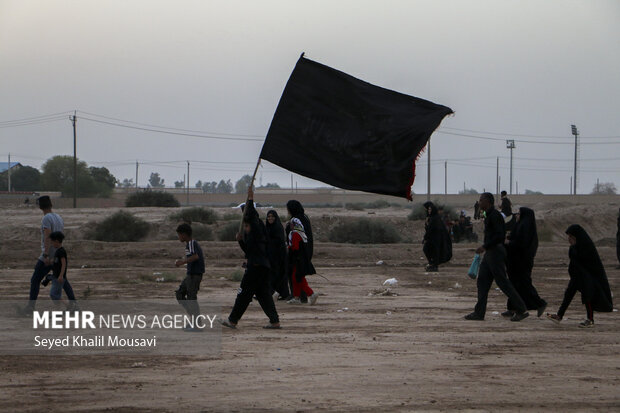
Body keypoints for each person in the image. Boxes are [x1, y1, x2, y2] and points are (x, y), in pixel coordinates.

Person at [222, 187, 280, 329]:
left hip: (256, 267)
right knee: (263, 295)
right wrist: (241, 240)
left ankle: (232, 320)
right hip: (262, 266)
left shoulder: (257, 227)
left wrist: (250, 198)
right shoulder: (254, 234)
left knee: (243, 294)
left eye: (246, 226)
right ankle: (274, 321)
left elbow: (252, 217)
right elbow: (249, 251)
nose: (246, 228)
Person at [465, 192, 529, 322]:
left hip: (495, 252)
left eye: (481, 200)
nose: (479, 202)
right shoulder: (488, 215)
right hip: (490, 253)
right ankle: (479, 312)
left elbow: (499, 236)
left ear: (488, 201)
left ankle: (521, 309)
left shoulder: (495, 216)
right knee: (482, 281)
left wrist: (485, 246)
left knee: (502, 282)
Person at [547, 225, 613, 328]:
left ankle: (590, 319)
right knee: (568, 294)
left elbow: (589, 263)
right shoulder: (575, 247)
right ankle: (559, 315)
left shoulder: (586, 246)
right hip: (577, 276)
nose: (569, 239)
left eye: (571, 237)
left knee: (588, 297)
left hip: (587, 277)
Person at [21, 196, 77, 314]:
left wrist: (46, 254)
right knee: (63, 280)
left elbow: (47, 235)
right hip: (57, 252)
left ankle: (30, 308)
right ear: (50, 204)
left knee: (35, 279)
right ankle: (74, 304)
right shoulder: (58, 217)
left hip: (49, 255)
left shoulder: (46, 218)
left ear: (40, 206)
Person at [504, 207, 547, 318]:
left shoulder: (526, 228)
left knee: (523, 284)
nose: (516, 216)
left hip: (522, 262)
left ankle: (539, 303)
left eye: (518, 214)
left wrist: (508, 242)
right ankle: (512, 307)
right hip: (515, 261)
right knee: (514, 284)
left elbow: (521, 245)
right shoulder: (520, 226)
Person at [174, 223, 205, 332]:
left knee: (191, 298)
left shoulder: (191, 243)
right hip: (191, 275)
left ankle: (197, 324)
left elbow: (195, 256)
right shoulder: (190, 244)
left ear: (184, 234)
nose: (179, 237)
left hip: (194, 275)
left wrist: (182, 262)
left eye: (179, 235)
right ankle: (194, 320)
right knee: (180, 294)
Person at [286, 200, 316, 302]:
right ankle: (297, 297)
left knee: (297, 275)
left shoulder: (296, 221)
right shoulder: (304, 218)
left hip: (298, 254)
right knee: (296, 275)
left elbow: (295, 240)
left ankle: (309, 294)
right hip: (305, 252)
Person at [265, 210, 290, 300]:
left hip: (279, 257)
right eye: (268, 216)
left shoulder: (278, 227)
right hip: (270, 256)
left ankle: (281, 294)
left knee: (279, 275)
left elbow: (279, 242)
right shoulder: (267, 228)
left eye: (272, 216)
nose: (270, 218)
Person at [422, 201, 452, 272]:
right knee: (427, 250)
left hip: (436, 240)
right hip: (432, 239)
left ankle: (434, 265)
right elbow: (428, 229)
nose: (428, 211)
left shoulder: (435, 218)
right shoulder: (431, 218)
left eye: (430, 209)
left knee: (433, 251)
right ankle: (432, 264)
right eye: (428, 209)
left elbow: (433, 229)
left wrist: (426, 237)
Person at [48, 232, 68, 306]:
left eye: (52, 242)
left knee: (54, 294)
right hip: (55, 276)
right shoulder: (58, 251)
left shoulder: (61, 251)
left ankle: (69, 306)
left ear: (56, 241)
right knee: (56, 294)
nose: (52, 244)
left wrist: (61, 275)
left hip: (58, 277)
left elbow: (64, 264)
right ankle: (58, 309)